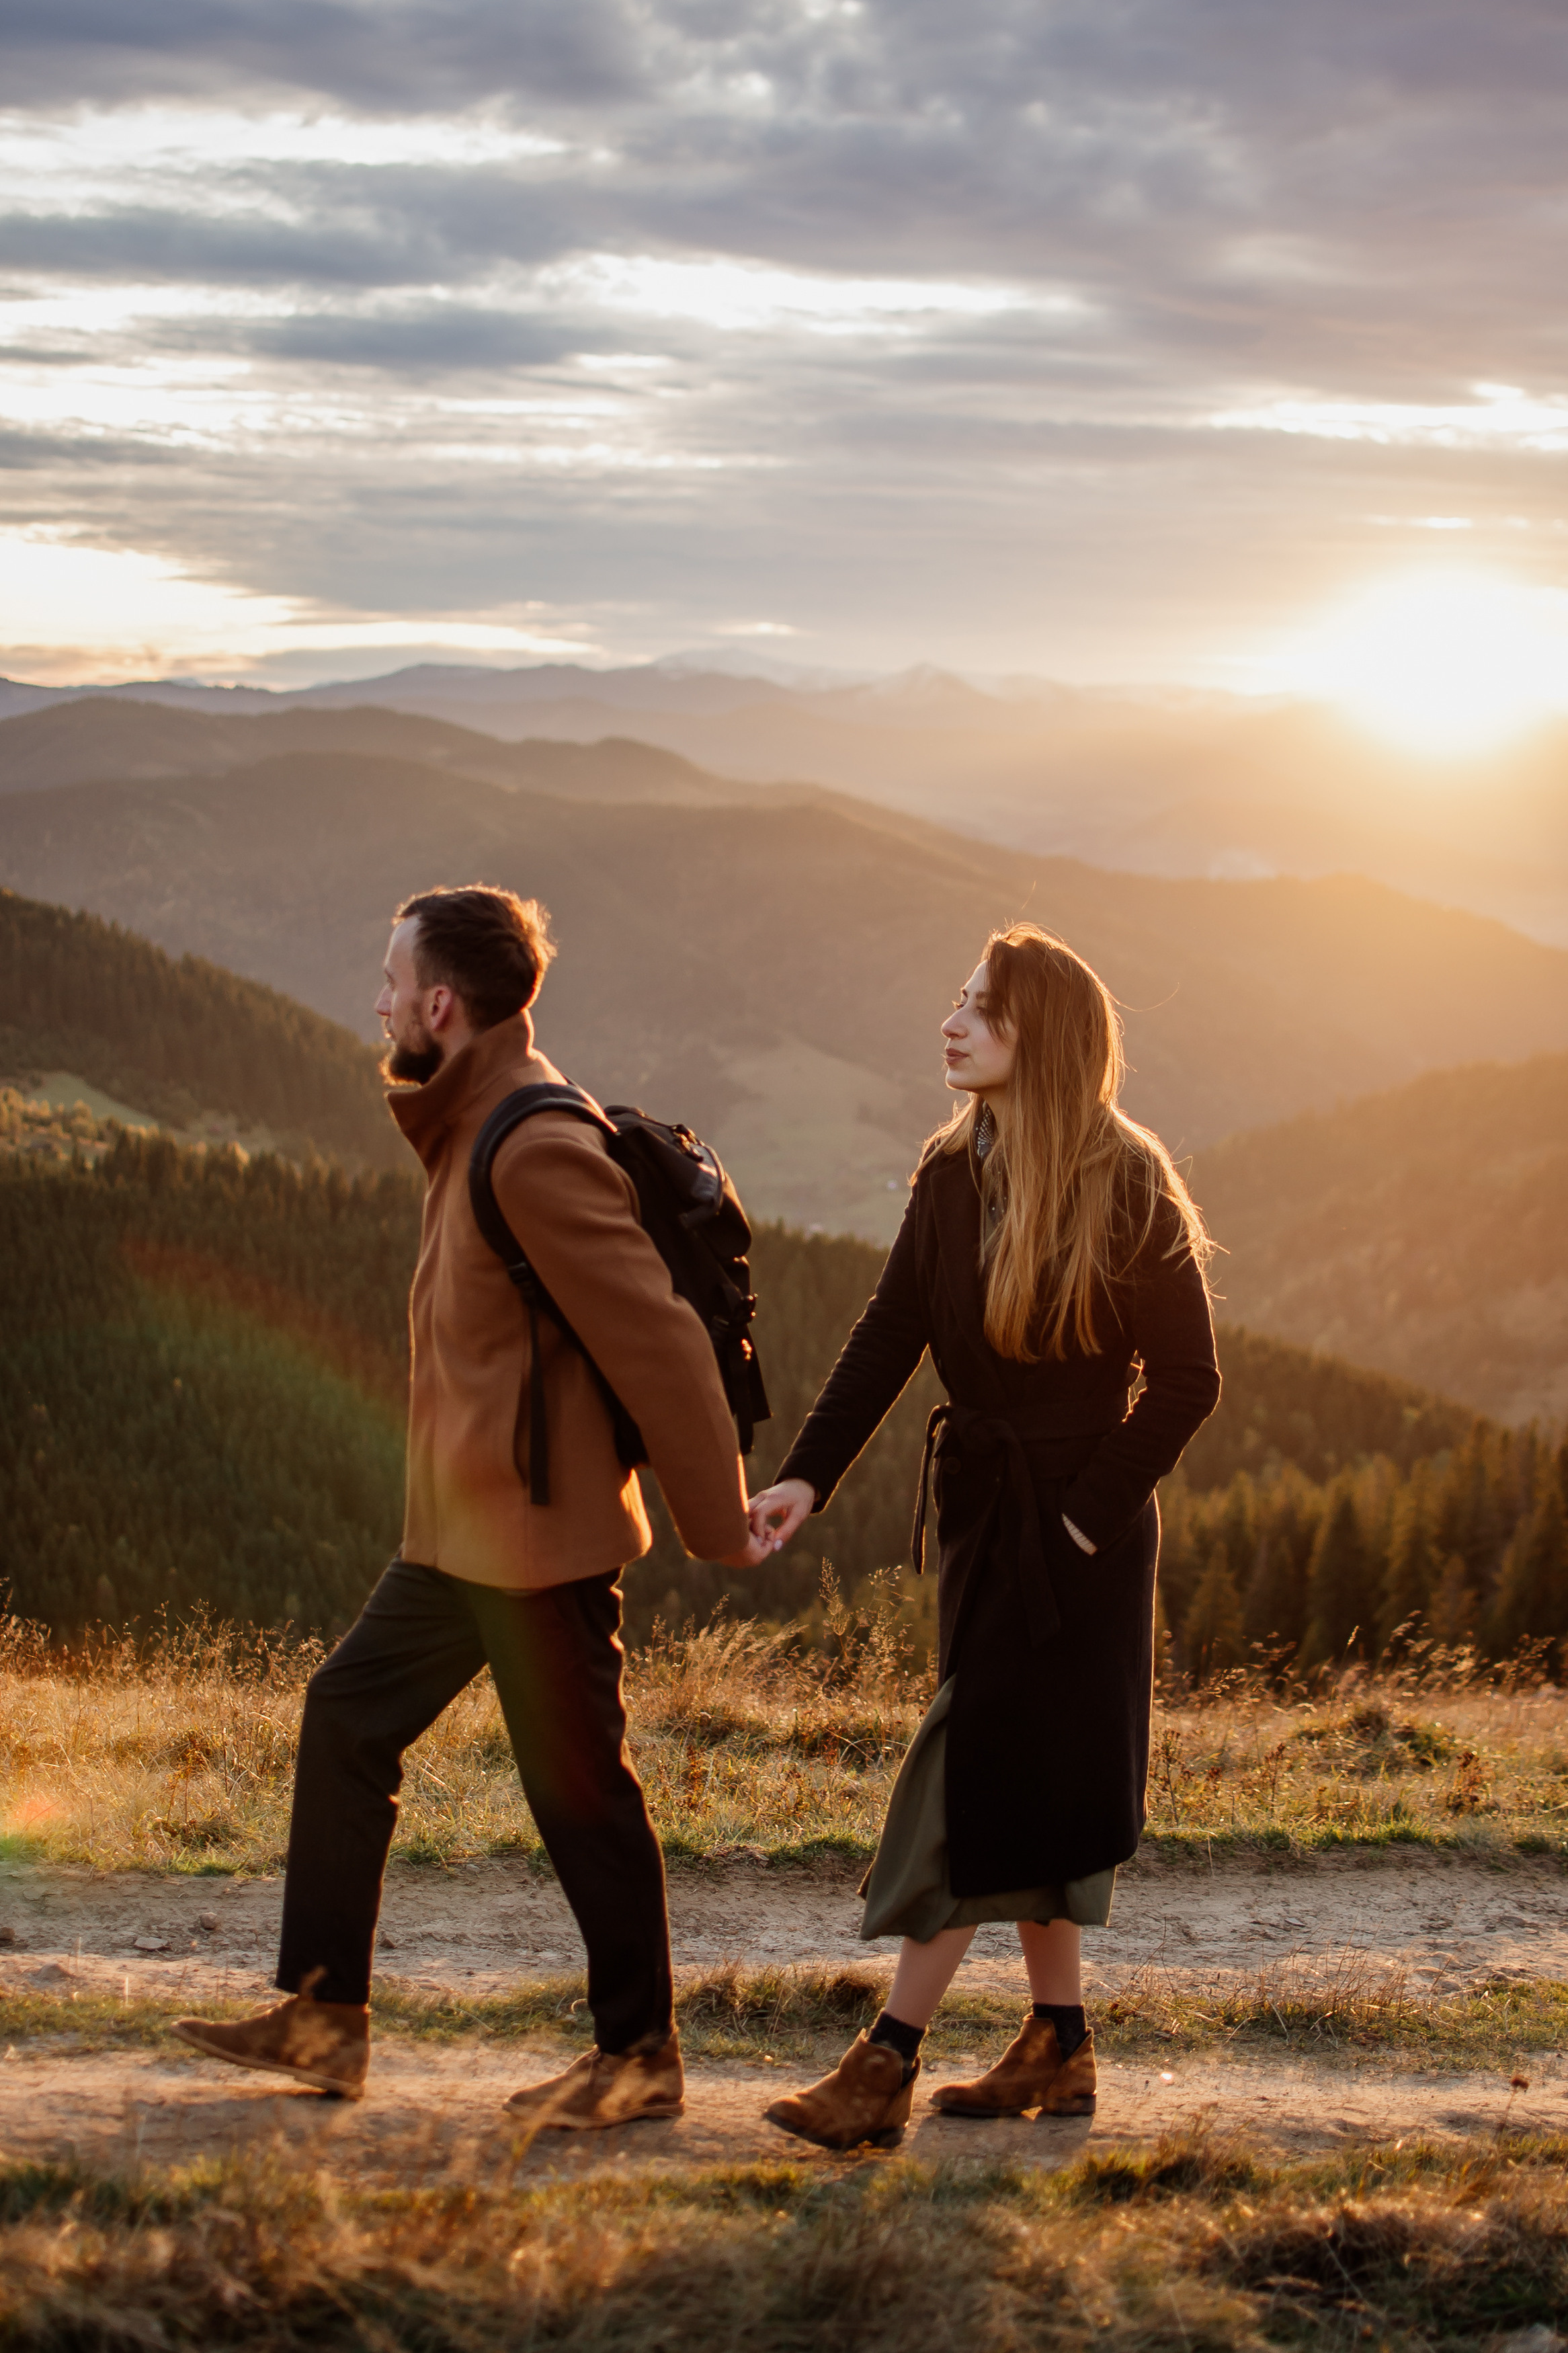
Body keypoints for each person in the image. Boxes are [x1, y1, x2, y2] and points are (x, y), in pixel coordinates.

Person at [175, 884, 768, 2123]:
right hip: (464, 1539)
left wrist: (719, 1525)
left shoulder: (531, 1145)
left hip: (539, 1544)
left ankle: (639, 2059)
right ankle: (324, 2017)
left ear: (441, 1004)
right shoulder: (468, 1122)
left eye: (392, 982)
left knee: (580, 1792)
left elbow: (662, 1346)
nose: (379, 1002)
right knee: (348, 1718)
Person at [747, 922, 1220, 2151]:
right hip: (983, 1515)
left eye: (981, 1009)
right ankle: (1057, 2045)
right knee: (1031, 1780)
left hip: (1074, 1538)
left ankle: (884, 2064)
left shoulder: (1128, 1181)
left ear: (1040, 1037)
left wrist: (1080, 1522)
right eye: (957, 999)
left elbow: (1187, 1380)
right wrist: (805, 1477)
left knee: (966, 1776)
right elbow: (889, 1331)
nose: (951, 1023)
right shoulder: (952, 1169)